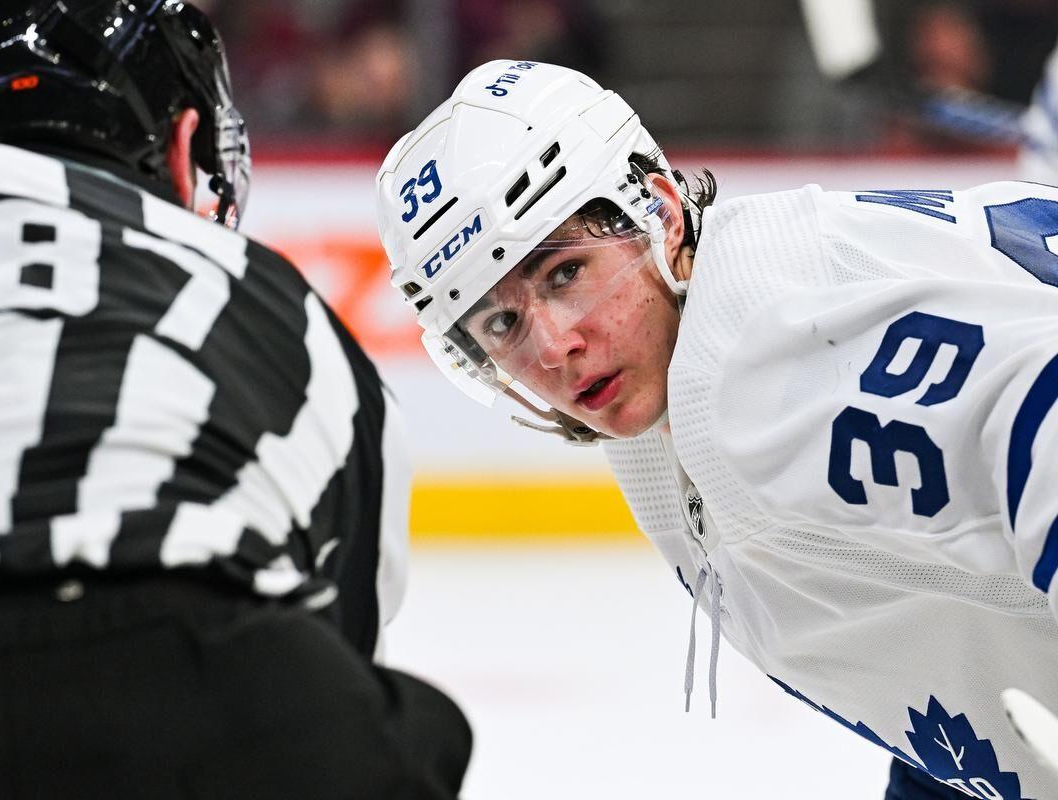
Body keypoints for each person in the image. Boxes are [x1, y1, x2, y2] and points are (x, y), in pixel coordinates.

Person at [375, 59, 1058, 800]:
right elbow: (940, 639)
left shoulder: (762, 369)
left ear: (660, 211)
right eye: (502, 323)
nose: (551, 348)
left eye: (564, 273)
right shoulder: (685, 375)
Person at [0, 1, 471, 797]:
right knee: (421, 735)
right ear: (186, 148)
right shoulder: (276, 302)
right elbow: (342, 632)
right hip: (195, 682)